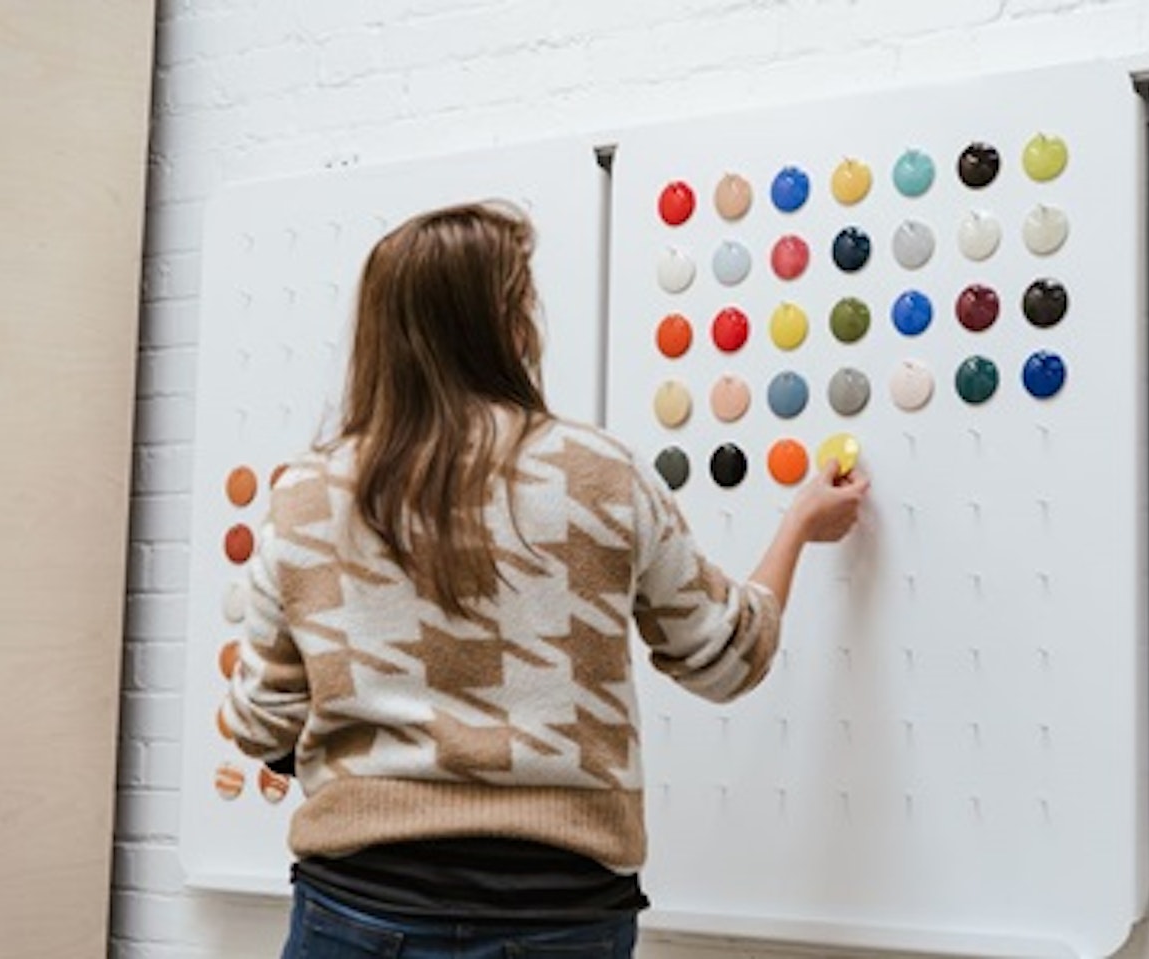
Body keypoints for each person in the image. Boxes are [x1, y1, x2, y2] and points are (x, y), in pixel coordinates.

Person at [221, 200, 870, 959]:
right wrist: (799, 524)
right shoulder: (601, 474)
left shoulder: (308, 497)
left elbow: (260, 724)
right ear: (508, 325)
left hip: (360, 911)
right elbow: (728, 655)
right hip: (562, 914)